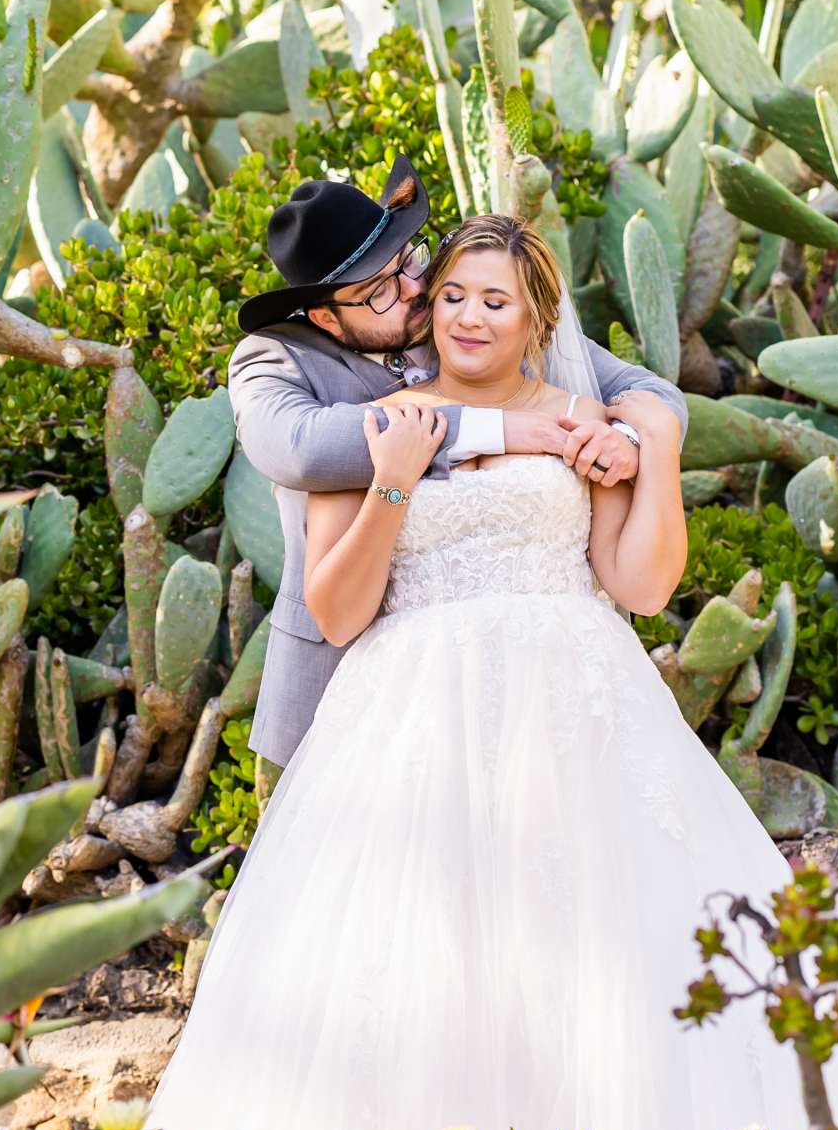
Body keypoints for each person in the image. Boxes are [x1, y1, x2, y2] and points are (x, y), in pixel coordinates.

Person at [145, 214, 819, 1130]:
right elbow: (337, 612)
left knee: (595, 922)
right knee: (430, 934)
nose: (465, 315)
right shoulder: (377, 418)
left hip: (577, 701)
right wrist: (391, 483)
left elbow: (639, 587)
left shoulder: (586, 417)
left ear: (535, 315)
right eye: (452, 295)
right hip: (415, 711)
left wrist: (655, 449)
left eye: (493, 300)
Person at [226, 154, 688, 779]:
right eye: (381, 289)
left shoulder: (471, 310)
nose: (418, 292)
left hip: (557, 696)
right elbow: (302, 449)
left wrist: (634, 442)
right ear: (326, 316)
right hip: (366, 699)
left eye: (410, 263)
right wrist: (487, 432)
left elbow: (648, 396)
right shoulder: (279, 359)